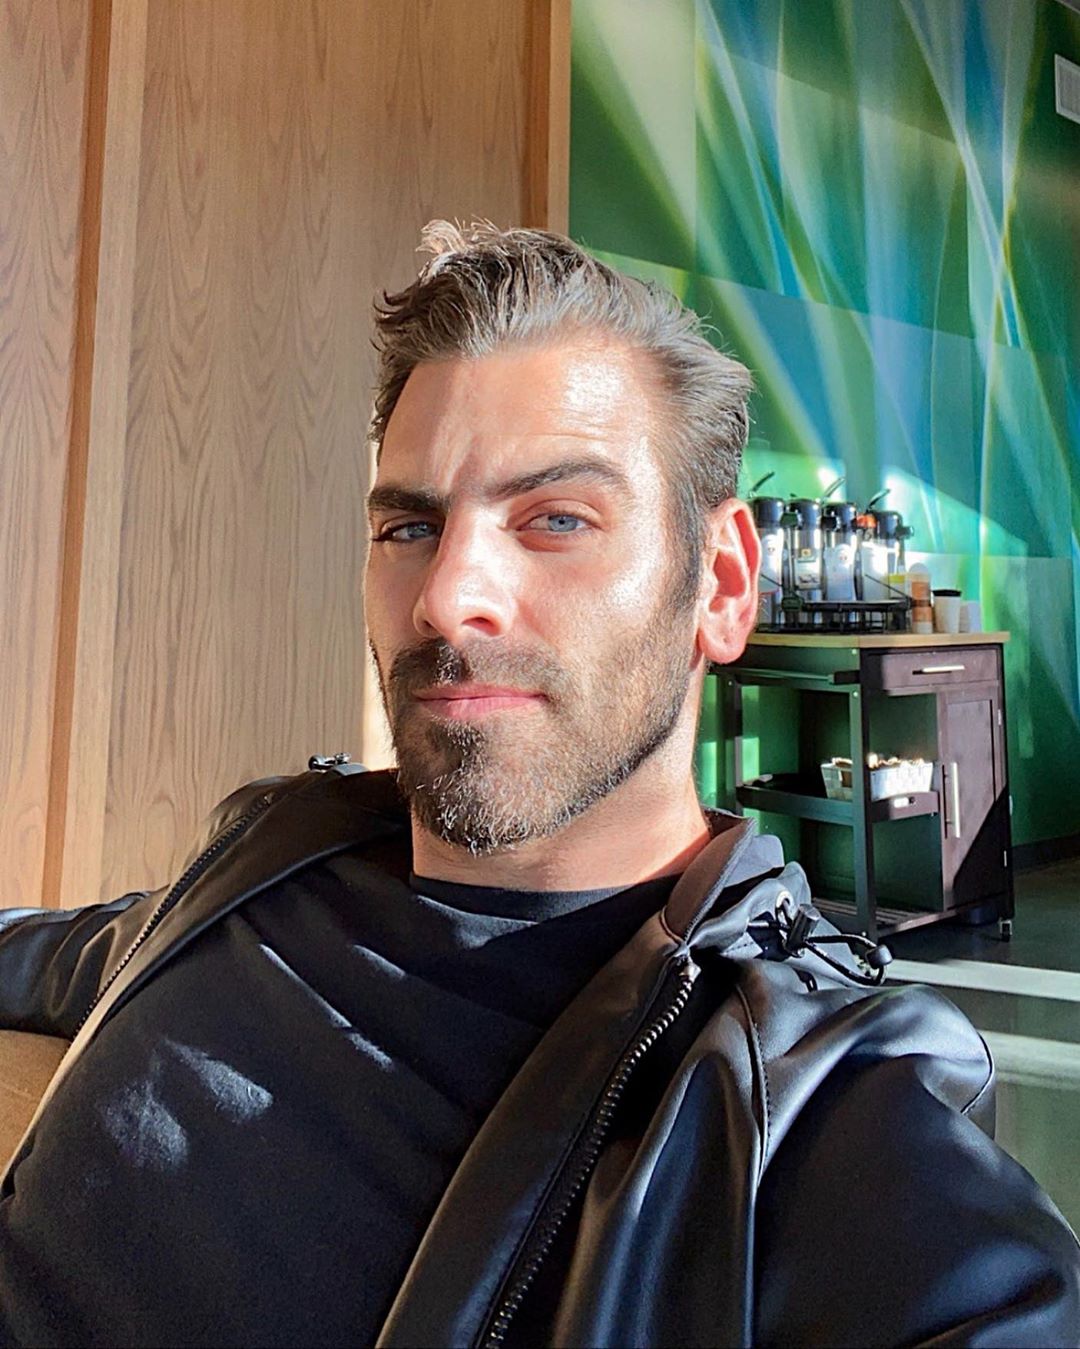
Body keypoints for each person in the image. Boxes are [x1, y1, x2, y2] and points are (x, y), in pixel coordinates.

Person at [0, 222, 1076, 1349]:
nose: (447, 595)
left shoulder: (807, 1102)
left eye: (557, 519)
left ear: (720, 585)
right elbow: (75, 949)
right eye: (411, 525)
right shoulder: (271, 861)